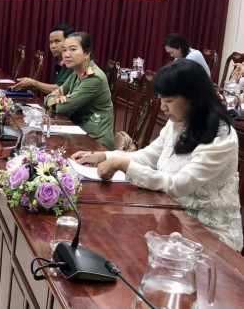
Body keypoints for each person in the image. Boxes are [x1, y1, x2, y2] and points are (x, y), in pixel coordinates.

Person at [73, 59, 242, 251]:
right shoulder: (178, 122)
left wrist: (123, 164)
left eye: (168, 101)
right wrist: (103, 157)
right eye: (161, 99)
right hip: (171, 216)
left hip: (209, 233)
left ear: (193, 98)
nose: (162, 107)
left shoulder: (221, 137)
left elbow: (179, 185)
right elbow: (149, 156)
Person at [44, 32, 114, 149]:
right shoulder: (76, 73)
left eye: (73, 49)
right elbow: (48, 97)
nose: (66, 55)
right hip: (78, 133)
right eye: (64, 50)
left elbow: (63, 108)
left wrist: (53, 101)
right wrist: (53, 99)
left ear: (87, 53)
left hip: (95, 141)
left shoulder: (94, 77)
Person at [11, 23, 75, 94]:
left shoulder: (71, 61)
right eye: (51, 42)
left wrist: (33, 83)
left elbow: (60, 90)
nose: (53, 46)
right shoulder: (60, 61)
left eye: (57, 41)